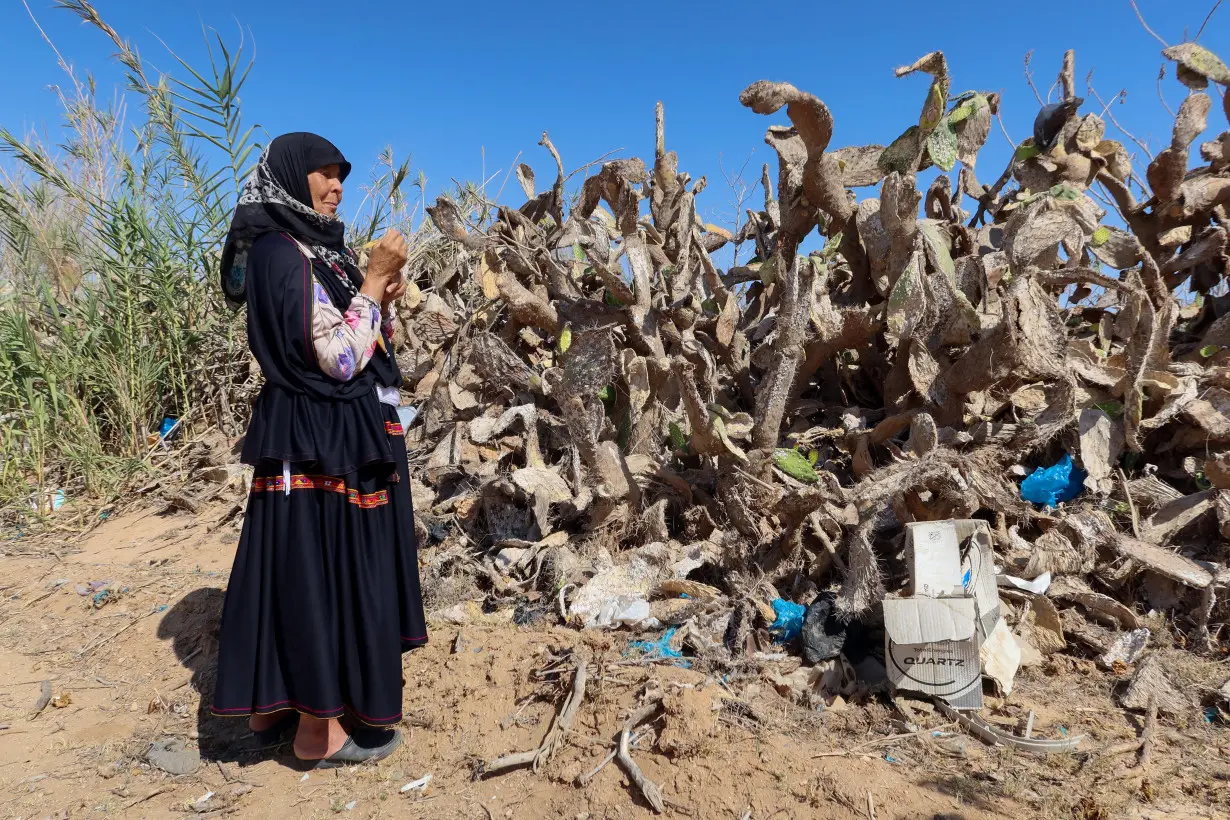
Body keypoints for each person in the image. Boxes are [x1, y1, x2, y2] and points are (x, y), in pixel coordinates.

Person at [210, 132, 427, 768]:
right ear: (289, 178)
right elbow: (336, 358)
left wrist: (379, 295)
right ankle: (317, 730)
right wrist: (375, 281)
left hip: (335, 435)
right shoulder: (279, 252)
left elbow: (362, 341)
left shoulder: (316, 250)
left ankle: (276, 706)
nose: (336, 186)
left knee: (309, 562)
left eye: (340, 176)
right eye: (323, 175)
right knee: (316, 569)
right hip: (315, 437)